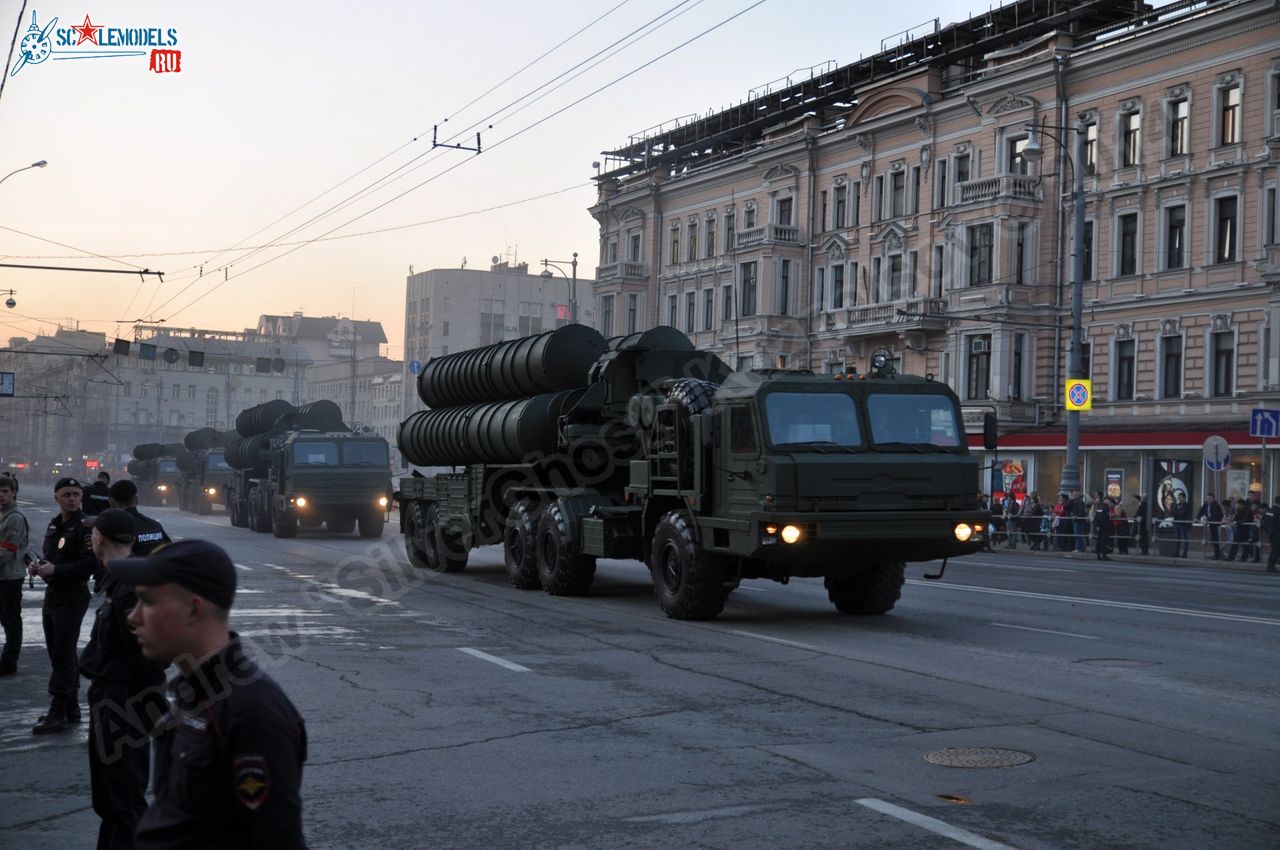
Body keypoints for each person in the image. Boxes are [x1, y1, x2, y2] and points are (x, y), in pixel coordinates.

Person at [115, 541, 308, 848]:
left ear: (193, 609)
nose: (133, 617)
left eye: (147, 602)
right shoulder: (194, 691)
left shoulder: (251, 713)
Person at [79, 509, 167, 850]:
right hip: (112, 697)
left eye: (94, 532)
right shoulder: (119, 580)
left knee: (124, 800)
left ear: (100, 538)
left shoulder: (130, 587)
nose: (91, 538)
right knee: (110, 800)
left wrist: (144, 710)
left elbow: (147, 657)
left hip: (123, 701)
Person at [28, 478, 97, 733]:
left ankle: (58, 710)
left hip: (72, 596)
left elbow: (91, 565)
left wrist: (56, 569)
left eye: (76, 494)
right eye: (66, 494)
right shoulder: (54, 524)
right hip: (53, 594)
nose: (72, 498)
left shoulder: (84, 527)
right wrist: (40, 566)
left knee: (62, 653)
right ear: (56, 497)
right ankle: (71, 708)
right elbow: (52, 556)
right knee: (57, 653)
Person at [0, 476, 30, 676]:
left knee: (11, 620)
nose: (2, 496)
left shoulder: (15, 517)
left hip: (10, 577)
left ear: (13, 492)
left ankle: (9, 662)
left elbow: (6, 552)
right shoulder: (3, 514)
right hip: (3, 576)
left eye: (5, 491)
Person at [107, 480, 170, 556]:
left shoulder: (110, 528)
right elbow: (171, 553)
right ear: (136, 500)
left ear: (111, 503)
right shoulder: (155, 526)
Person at [1196, 493, 1224, 559]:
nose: (1208, 500)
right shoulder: (1206, 503)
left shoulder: (1216, 505)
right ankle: (1217, 554)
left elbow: (1215, 515)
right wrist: (1197, 517)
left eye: (1210, 498)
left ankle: (1217, 555)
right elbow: (1201, 510)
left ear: (1213, 499)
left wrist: (1207, 519)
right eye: (1207, 498)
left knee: (1215, 539)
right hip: (1210, 523)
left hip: (1215, 523)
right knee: (1213, 539)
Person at [1091, 491, 1112, 560]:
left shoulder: (1101, 507)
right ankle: (1102, 555)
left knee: (1101, 541)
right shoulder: (1102, 507)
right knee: (1101, 541)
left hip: (1101, 526)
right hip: (1103, 526)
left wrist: (1097, 525)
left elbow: (1098, 517)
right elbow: (1101, 517)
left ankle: (1100, 555)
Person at [1172, 491, 1192, 558]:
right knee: (1178, 538)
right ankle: (1176, 552)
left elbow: (1183, 514)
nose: (1179, 499)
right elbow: (1173, 512)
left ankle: (1184, 553)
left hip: (1183, 524)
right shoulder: (1177, 505)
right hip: (1177, 523)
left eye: (1180, 497)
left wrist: (1178, 513)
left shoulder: (1187, 505)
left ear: (1184, 498)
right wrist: (1178, 513)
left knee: (1184, 539)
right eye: (1178, 497)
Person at [1263, 497, 1280, 573]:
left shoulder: (1269, 510)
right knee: (1276, 550)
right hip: (1277, 533)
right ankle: (1271, 566)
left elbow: (1265, 522)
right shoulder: (1278, 511)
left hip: (1270, 532)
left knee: (1273, 549)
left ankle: (1269, 566)